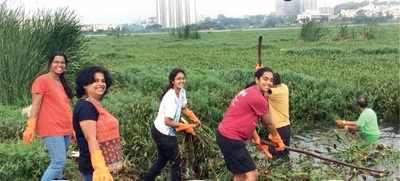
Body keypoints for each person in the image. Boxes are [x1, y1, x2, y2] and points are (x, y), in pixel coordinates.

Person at [216, 67, 286, 181]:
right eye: (265, 79)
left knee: (240, 174)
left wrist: (257, 137)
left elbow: (247, 119)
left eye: (271, 80)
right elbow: (269, 124)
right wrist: (278, 139)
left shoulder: (249, 91)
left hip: (224, 135)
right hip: (231, 138)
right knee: (252, 174)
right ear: (257, 80)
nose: (268, 82)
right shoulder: (258, 98)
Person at [22, 52, 74, 181]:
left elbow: (66, 107)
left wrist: (73, 128)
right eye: (56, 62)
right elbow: (35, 105)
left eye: (62, 62)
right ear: (50, 64)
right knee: (58, 163)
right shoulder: (42, 80)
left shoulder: (62, 83)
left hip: (65, 127)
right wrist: (31, 126)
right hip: (51, 128)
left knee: (60, 164)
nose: (59, 65)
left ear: (65, 65)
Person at [144, 68, 201, 181]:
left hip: (163, 131)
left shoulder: (182, 92)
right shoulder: (171, 97)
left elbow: (183, 108)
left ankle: (147, 179)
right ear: (172, 81)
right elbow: (168, 121)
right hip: (162, 132)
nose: (182, 81)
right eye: (178, 79)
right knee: (177, 162)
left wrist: (194, 118)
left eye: (183, 78)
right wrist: (187, 127)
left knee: (162, 160)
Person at [73, 66, 123, 181]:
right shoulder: (86, 107)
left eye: (103, 81)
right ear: (85, 85)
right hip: (94, 168)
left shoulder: (93, 105)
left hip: (99, 167)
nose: (101, 84)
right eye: (95, 81)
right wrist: (99, 166)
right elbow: (91, 138)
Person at [266, 73, 290, 159]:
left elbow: (260, 89)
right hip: (286, 127)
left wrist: (259, 74)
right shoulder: (284, 87)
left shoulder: (272, 92)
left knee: (274, 156)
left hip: (277, 129)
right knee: (284, 154)